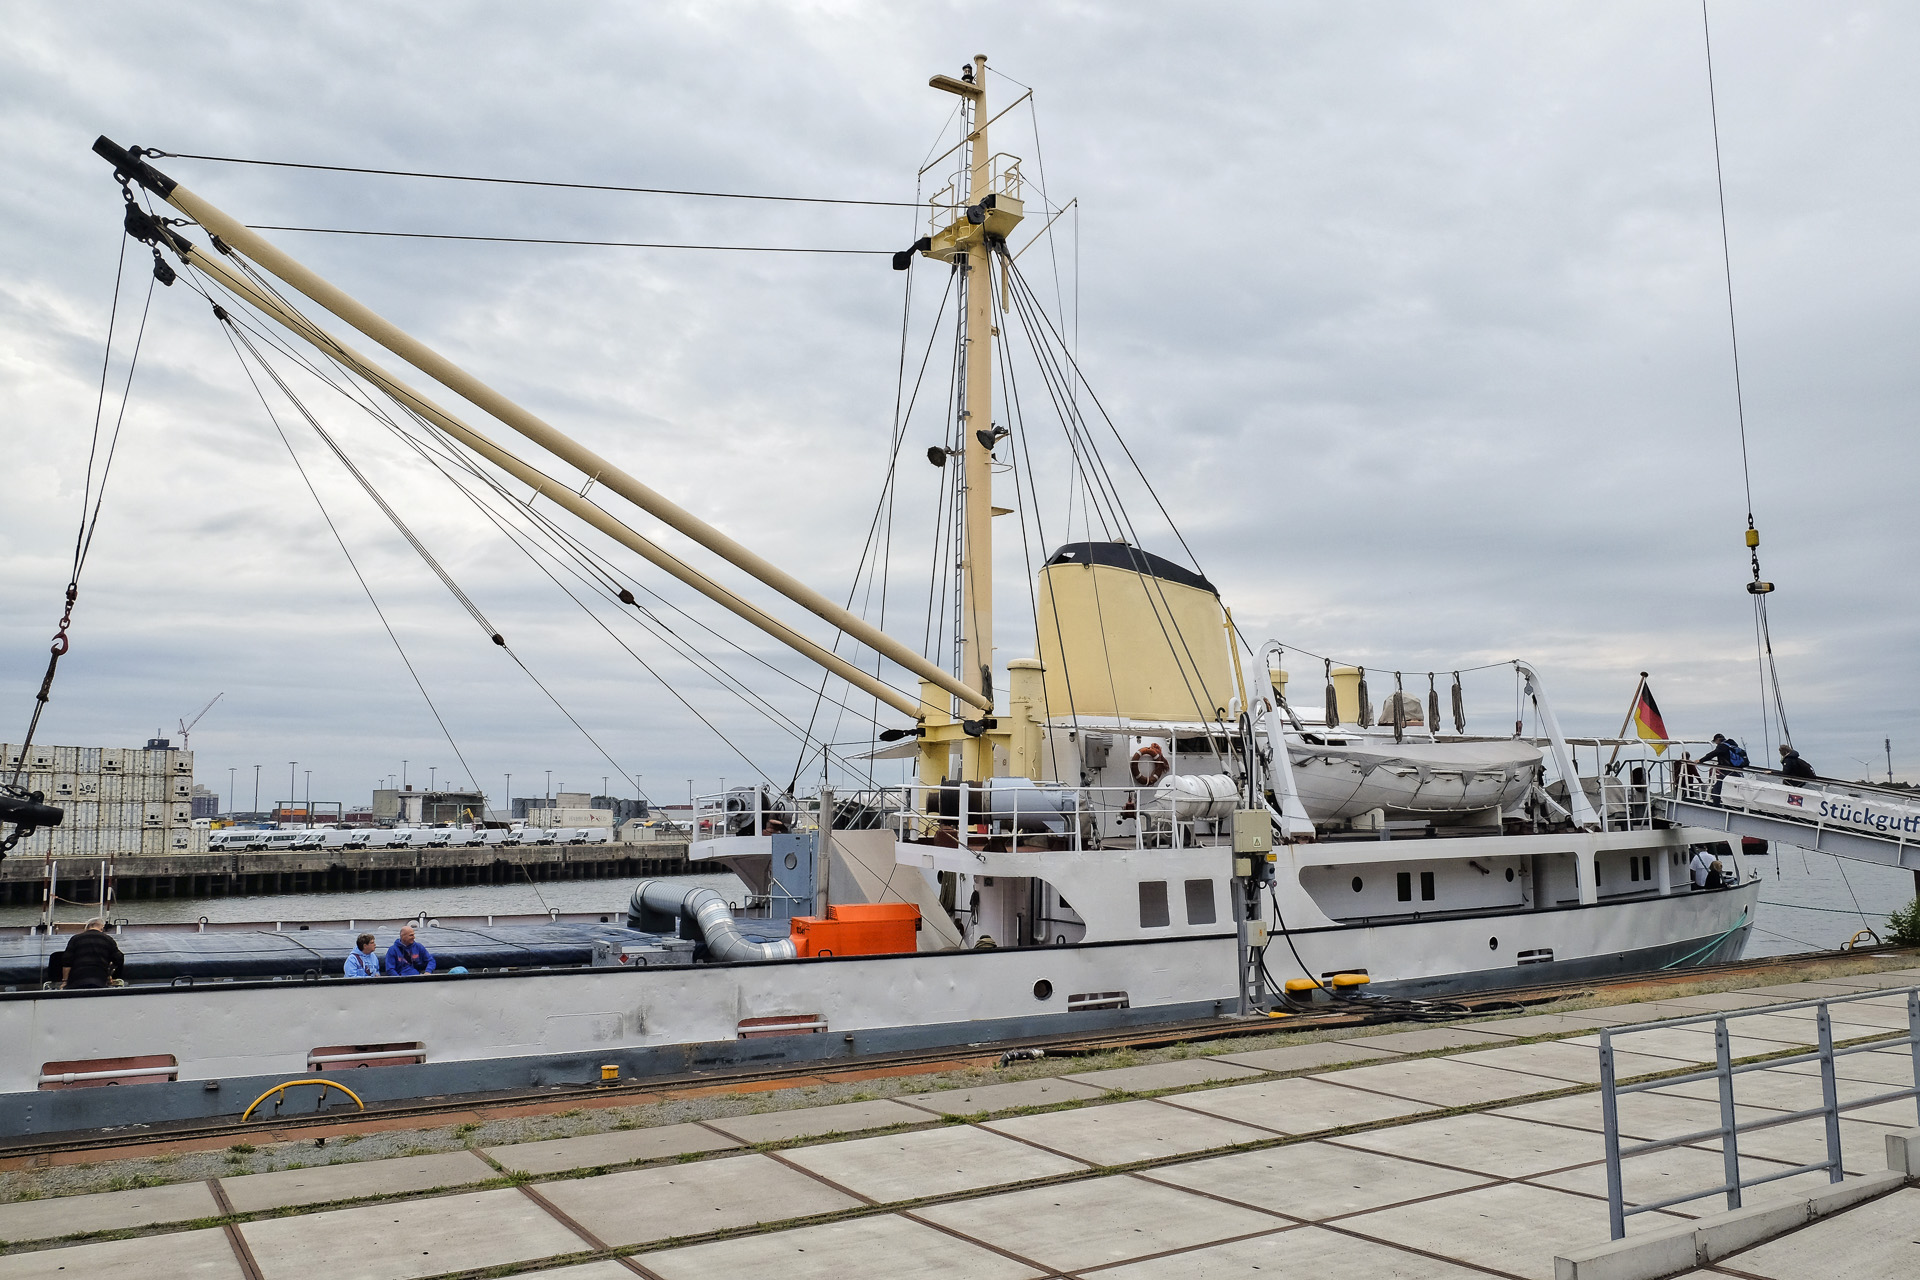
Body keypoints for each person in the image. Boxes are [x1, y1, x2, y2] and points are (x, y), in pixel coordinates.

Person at [56, 919, 125, 989]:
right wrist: (109, 973)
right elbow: (119, 958)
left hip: (77, 979)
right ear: (102, 928)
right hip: (100, 979)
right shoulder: (108, 939)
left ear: (87, 927)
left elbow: (67, 961)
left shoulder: (75, 939)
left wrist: (65, 981)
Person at [1699, 734, 1745, 804]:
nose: (1716, 743)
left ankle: (1716, 805)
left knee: (1716, 789)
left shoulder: (1722, 746)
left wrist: (1701, 760)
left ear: (1718, 739)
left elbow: (1713, 754)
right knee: (1731, 789)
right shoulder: (1732, 745)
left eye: (1715, 741)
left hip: (1727, 771)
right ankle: (1733, 805)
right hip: (1737, 771)